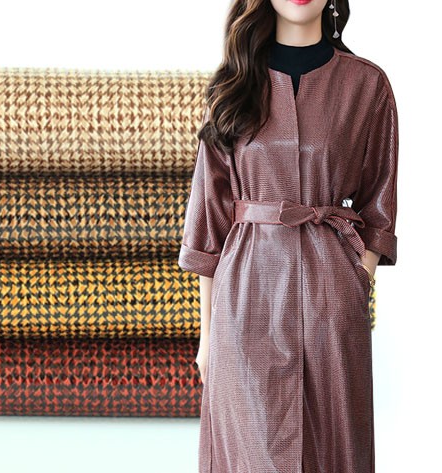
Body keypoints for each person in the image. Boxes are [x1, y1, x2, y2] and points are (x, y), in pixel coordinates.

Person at [177, 0, 398, 472]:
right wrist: (207, 335)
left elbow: (380, 201)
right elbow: (209, 218)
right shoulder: (233, 85)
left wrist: (357, 280)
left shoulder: (367, 85)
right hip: (245, 298)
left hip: (331, 303)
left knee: (335, 451)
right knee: (249, 454)